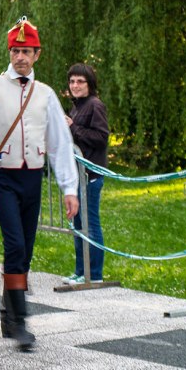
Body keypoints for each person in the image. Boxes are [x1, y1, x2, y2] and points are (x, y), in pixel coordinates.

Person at [0, 16, 79, 352]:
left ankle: (7, 312)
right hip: (2, 179)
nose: (20, 56)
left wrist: (69, 187)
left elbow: (60, 142)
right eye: (16, 50)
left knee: (26, 250)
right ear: (10, 52)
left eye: (26, 51)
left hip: (32, 178)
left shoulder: (45, 94)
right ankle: (20, 321)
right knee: (15, 245)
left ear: (37, 54)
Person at [62, 63, 109, 284]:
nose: (75, 85)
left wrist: (73, 128)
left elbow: (101, 138)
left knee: (90, 224)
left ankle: (95, 274)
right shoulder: (77, 106)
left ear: (89, 84)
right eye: (72, 81)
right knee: (79, 225)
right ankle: (81, 271)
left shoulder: (94, 105)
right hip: (78, 175)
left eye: (80, 81)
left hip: (90, 174)